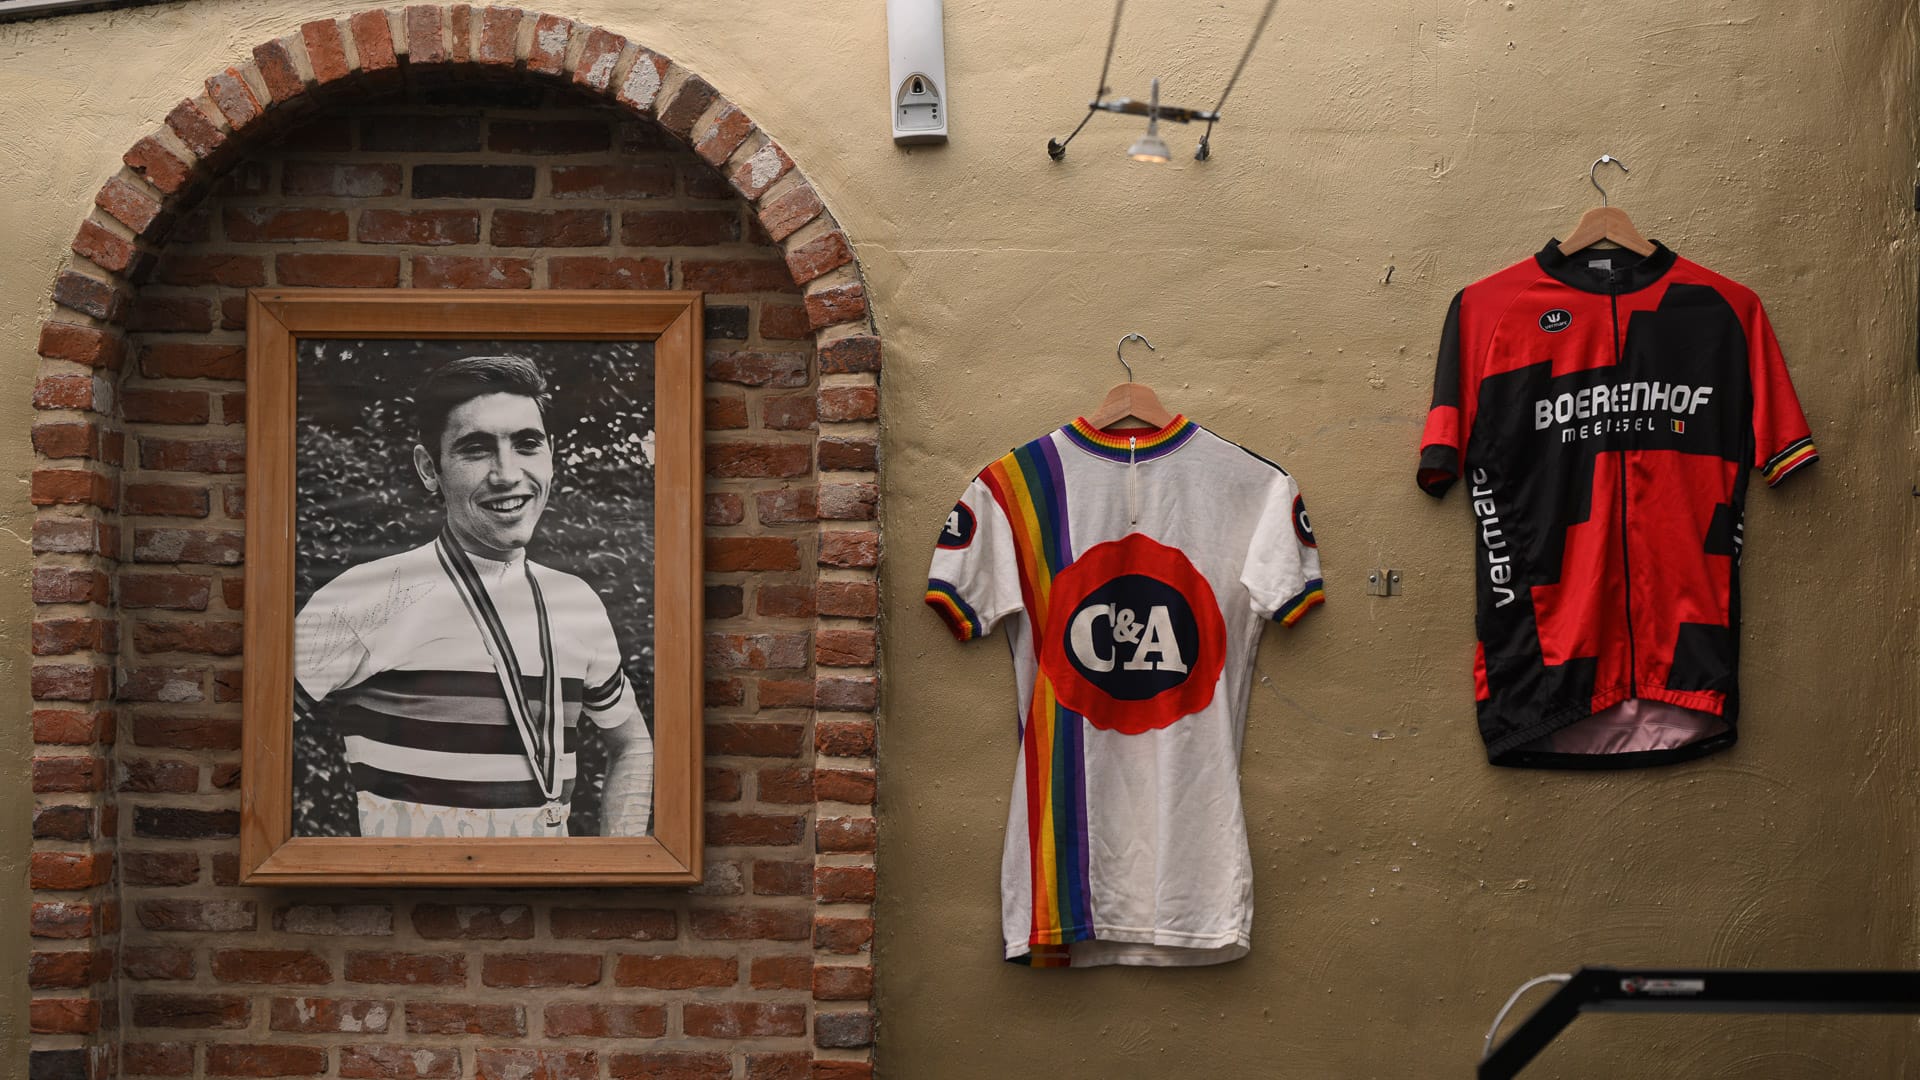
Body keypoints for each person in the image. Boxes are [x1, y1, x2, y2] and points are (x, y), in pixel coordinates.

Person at [293, 355, 652, 838]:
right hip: (414, 909)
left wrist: (617, 867)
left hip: (548, 907)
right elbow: (247, 736)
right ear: (429, 468)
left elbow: (632, 744)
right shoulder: (367, 595)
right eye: (476, 449)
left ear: (550, 457)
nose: (507, 474)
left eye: (527, 445)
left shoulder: (578, 602)